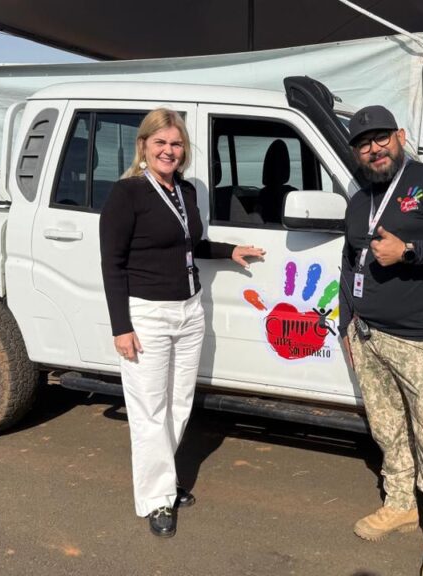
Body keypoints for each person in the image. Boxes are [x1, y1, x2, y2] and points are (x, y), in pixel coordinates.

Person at [99, 109, 265, 539]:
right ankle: (156, 500)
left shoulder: (185, 190)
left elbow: (192, 243)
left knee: (179, 403)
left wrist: (229, 251)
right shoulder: (127, 194)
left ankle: (165, 478)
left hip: (190, 311)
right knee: (149, 409)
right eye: (160, 143)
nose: (169, 151)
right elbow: (112, 264)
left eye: (175, 144)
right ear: (144, 146)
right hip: (148, 314)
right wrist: (121, 326)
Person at [338, 105, 423, 576]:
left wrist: (410, 251)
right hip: (369, 335)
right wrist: (346, 324)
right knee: (387, 428)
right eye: (363, 144)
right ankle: (399, 502)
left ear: (400, 136)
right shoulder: (360, 199)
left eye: (381, 139)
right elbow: (349, 263)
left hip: (422, 340)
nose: (374, 149)